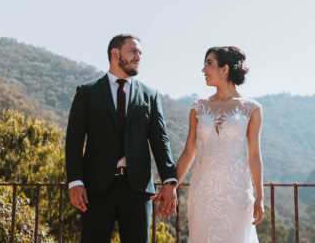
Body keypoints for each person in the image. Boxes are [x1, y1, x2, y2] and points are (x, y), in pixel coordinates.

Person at [66, 34, 178, 243]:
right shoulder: (87, 92)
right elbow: (74, 141)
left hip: (137, 189)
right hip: (95, 189)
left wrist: (169, 181)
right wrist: (75, 181)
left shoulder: (150, 95)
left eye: (140, 53)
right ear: (115, 53)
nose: (138, 57)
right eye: (133, 51)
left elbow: (160, 140)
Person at [173, 46, 264, 242]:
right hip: (202, 193)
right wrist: (172, 185)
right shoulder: (198, 107)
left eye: (209, 64)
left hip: (237, 193)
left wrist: (260, 196)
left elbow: (254, 154)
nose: (203, 69)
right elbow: (189, 151)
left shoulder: (252, 109)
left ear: (225, 69)